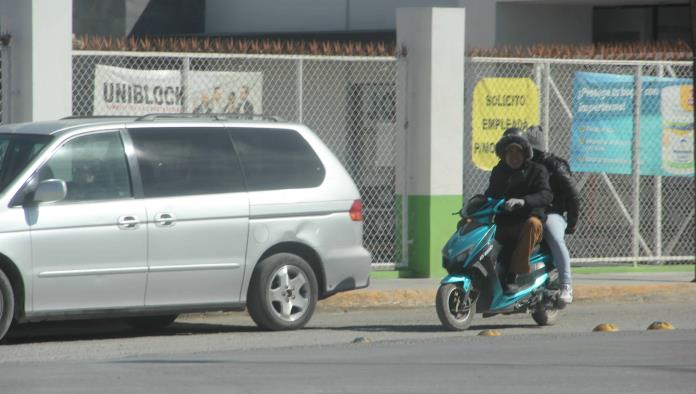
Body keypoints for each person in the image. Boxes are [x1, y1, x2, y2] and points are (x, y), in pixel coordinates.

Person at [485, 127, 553, 294]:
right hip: (504, 222)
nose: (514, 156)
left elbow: (546, 195)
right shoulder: (498, 171)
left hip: (528, 222)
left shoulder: (537, 170)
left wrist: (524, 201)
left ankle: (513, 276)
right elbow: (490, 194)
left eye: (518, 151)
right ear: (503, 154)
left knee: (532, 224)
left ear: (525, 153)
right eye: (510, 152)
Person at [526, 126, 580, 305]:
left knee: (555, 237)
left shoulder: (555, 166)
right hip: (530, 211)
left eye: (534, 150)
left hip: (552, 212)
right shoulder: (522, 166)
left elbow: (573, 194)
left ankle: (566, 284)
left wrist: (572, 222)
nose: (531, 154)